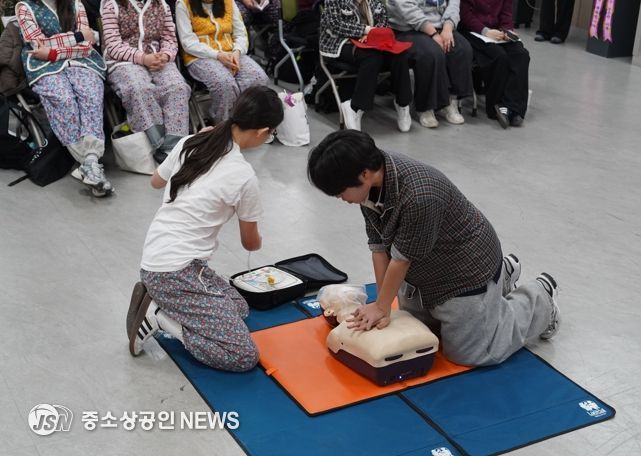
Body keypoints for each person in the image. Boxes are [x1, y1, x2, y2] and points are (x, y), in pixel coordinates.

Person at [307, 130, 561, 367]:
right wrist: (381, 305)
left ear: (364, 174)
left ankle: (540, 299)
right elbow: (379, 248)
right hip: (422, 272)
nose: (340, 198)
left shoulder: (420, 195)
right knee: (420, 337)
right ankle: (500, 280)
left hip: (465, 270)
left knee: (469, 352)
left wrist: (382, 307)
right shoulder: (372, 178)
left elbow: (400, 260)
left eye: (339, 192)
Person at [127, 86, 284, 372]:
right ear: (263, 131)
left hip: (161, 261)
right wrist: (259, 238)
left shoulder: (191, 142)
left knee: (239, 308)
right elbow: (250, 244)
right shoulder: (243, 176)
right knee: (242, 355)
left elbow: (155, 182)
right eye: (271, 133)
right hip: (174, 274)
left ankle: (167, 300)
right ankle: (161, 318)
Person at [16, 0, 113, 195]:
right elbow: (37, 45)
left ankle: (90, 163)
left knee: (91, 95)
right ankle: (89, 162)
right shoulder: (25, 7)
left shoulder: (75, 4)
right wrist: (77, 36)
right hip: (45, 68)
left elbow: (88, 43)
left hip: (81, 61)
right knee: (63, 99)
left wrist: (52, 52)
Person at [101, 0, 191, 163]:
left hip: (158, 58)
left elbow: (170, 39)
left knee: (177, 87)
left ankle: (174, 144)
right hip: (123, 61)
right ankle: (157, 142)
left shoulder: (161, 4)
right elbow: (113, 45)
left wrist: (166, 55)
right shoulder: (111, 5)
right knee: (139, 88)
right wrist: (143, 58)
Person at [319, 0, 413, 132]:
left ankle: (402, 103)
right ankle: (355, 107)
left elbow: (383, 21)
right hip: (341, 42)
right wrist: (366, 30)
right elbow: (335, 25)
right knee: (371, 57)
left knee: (400, 54)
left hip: (371, 41)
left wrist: (373, 35)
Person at [175, 0, 269, 123]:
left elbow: (241, 33)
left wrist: (237, 52)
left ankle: (248, 121)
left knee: (259, 78)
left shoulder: (228, 2)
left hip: (231, 52)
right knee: (224, 84)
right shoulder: (183, 4)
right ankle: (223, 124)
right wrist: (218, 55)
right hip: (200, 56)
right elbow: (188, 42)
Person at [387, 0, 472, 128]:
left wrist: (448, 27)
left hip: (441, 26)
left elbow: (454, 4)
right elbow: (406, 8)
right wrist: (433, 33)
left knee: (462, 49)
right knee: (431, 54)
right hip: (408, 28)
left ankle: (449, 101)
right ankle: (425, 107)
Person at [459, 0, 530, 128]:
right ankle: (496, 106)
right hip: (473, 31)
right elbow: (465, 16)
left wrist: (507, 31)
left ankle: (514, 107)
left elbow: (506, 14)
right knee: (499, 56)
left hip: (497, 32)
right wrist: (486, 31)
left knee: (521, 55)